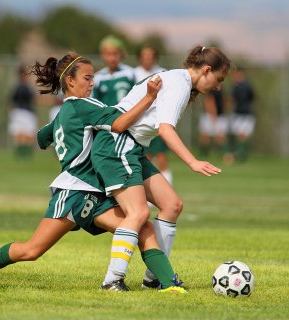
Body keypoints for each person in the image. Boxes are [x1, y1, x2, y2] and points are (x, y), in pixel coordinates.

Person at [0, 52, 186, 294]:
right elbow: (121, 122)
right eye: (88, 78)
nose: (93, 83)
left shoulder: (63, 113)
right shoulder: (84, 105)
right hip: (75, 192)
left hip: (95, 192)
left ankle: (168, 285)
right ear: (70, 80)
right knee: (31, 251)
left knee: (141, 225)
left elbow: (41, 137)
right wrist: (149, 97)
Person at [91, 45, 231, 289]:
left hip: (130, 146)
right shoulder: (179, 84)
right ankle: (112, 280)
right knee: (138, 214)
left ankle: (154, 279)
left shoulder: (177, 79)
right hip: (116, 145)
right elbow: (165, 130)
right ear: (206, 70)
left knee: (172, 205)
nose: (218, 86)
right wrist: (192, 161)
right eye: (218, 79)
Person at [134, 44, 173, 185]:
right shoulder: (134, 74)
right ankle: (149, 196)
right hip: (139, 122)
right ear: (140, 58)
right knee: (146, 158)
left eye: (150, 56)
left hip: (157, 121)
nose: (148, 59)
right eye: (145, 56)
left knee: (162, 158)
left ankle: (167, 190)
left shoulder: (162, 73)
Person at [92, 35, 135, 106]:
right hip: (107, 116)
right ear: (102, 55)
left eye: (115, 54)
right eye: (108, 54)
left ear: (121, 54)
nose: (112, 58)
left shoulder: (130, 73)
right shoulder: (98, 77)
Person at [8, 65, 37, 159]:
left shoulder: (16, 87)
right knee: (26, 134)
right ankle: (24, 154)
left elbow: (12, 100)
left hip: (17, 111)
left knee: (20, 134)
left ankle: (20, 154)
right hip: (26, 112)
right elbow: (33, 98)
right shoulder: (26, 87)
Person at [227, 67, 255, 163]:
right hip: (238, 114)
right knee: (239, 135)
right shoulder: (237, 86)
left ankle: (240, 154)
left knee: (242, 135)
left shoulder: (246, 86)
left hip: (246, 114)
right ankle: (239, 154)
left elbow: (251, 98)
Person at [198, 88, 229, 162]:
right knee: (205, 137)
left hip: (220, 116)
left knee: (221, 137)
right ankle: (203, 155)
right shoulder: (212, 88)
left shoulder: (221, 88)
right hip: (210, 115)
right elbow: (209, 101)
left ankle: (225, 156)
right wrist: (213, 115)